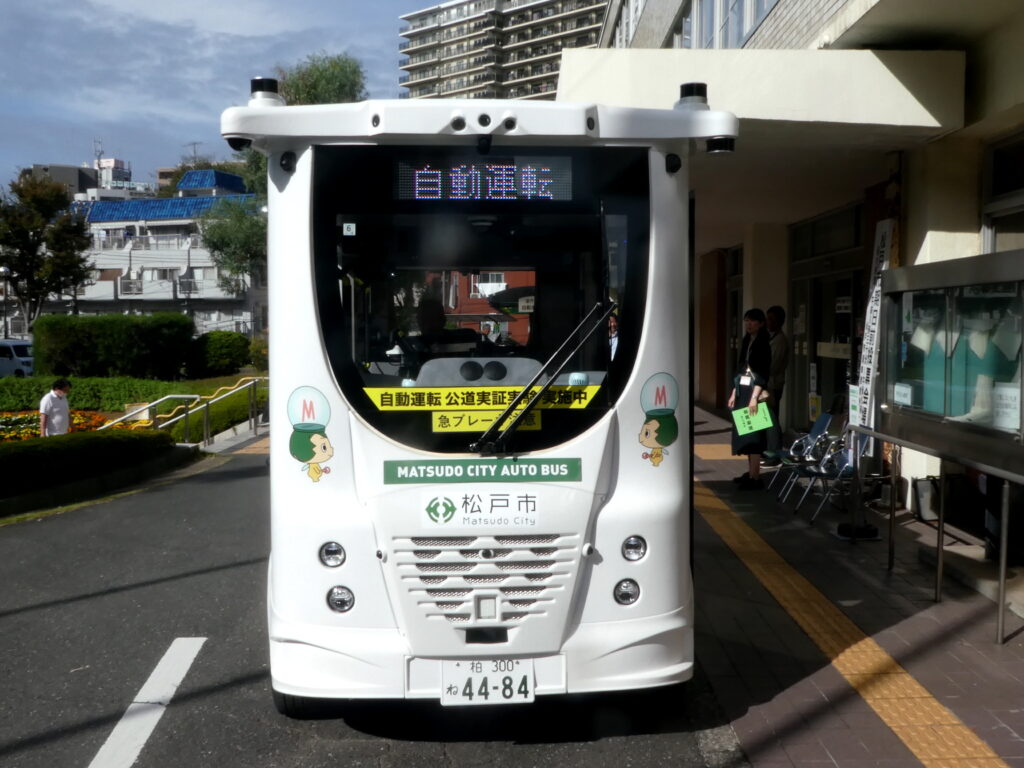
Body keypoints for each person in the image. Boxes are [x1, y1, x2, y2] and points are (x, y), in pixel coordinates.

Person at [728, 309, 771, 489]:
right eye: (746, 321)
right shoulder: (747, 340)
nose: (748, 324)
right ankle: (750, 473)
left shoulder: (764, 343)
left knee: (754, 433)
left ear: (761, 323)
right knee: (745, 431)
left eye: (752, 321)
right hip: (743, 389)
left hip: (754, 391)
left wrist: (754, 398)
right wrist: (733, 392)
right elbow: (740, 368)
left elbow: (762, 374)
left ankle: (755, 477)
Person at [762, 305, 790, 465]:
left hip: (772, 386)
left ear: (780, 321)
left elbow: (773, 366)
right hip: (766, 385)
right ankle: (768, 451)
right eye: (767, 318)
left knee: (771, 420)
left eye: (772, 319)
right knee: (765, 420)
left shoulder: (780, 341)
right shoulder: (769, 337)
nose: (768, 322)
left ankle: (774, 453)